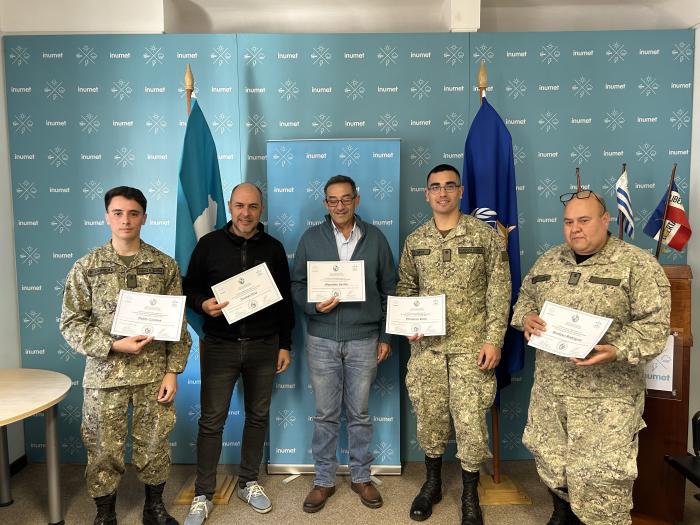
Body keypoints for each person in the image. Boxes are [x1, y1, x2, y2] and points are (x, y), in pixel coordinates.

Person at [512, 190, 671, 525]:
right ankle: (563, 513)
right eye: (568, 222)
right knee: (554, 466)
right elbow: (524, 300)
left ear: (605, 219)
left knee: (602, 487)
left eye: (584, 220)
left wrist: (617, 350)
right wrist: (526, 318)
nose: (575, 228)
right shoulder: (549, 261)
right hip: (551, 396)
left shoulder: (638, 265)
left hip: (606, 401)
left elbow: (655, 329)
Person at [60, 186, 191, 525]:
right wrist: (113, 345)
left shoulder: (164, 266)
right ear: (107, 217)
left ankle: (154, 508)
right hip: (105, 376)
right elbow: (71, 323)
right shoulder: (87, 266)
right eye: (118, 213)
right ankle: (105, 513)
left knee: (155, 444)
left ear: (144, 217)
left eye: (133, 213)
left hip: (153, 374)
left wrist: (172, 371)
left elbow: (177, 326)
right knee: (103, 448)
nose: (126, 220)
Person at [396, 164, 511, 525]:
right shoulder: (416, 240)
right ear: (426, 194)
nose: (442, 193)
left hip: (471, 349)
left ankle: (469, 495)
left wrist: (494, 340)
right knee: (429, 420)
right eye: (435, 187)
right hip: (427, 350)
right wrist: (409, 323)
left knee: (470, 424)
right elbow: (406, 287)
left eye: (449, 186)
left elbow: (500, 290)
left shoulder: (485, 236)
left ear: (461, 191)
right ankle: (432, 484)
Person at [182, 182, 294, 523]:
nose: (246, 213)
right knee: (211, 421)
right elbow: (189, 287)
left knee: (257, 416)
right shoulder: (208, 245)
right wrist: (203, 303)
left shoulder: (274, 248)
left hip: (264, 346)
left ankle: (248, 482)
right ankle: (203, 493)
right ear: (230, 206)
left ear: (261, 210)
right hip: (220, 346)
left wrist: (285, 343)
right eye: (240, 206)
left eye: (253, 207)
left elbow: (285, 300)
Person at [291, 175, 397, 513]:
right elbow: (297, 285)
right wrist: (313, 305)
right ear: (325, 203)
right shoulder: (311, 238)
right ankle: (323, 480)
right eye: (333, 200)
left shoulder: (375, 238)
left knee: (359, 413)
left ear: (356, 200)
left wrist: (385, 336)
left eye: (346, 199)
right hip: (321, 338)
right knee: (325, 414)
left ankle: (361, 476)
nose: (340, 205)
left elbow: (390, 289)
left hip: (364, 339)